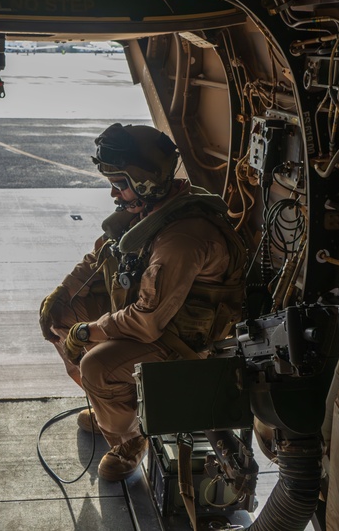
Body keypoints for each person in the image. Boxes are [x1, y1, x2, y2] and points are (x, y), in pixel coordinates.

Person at [39, 123, 247, 481]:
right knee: (60, 314)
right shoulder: (151, 211)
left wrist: (89, 332)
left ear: (145, 180)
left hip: (179, 339)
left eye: (120, 183)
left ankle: (131, 437)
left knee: (96, 367)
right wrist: (61, 294)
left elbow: (147, 320)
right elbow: (103, 255)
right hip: (152, 316)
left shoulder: (182, 238)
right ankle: (111, 404)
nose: (115, 194)